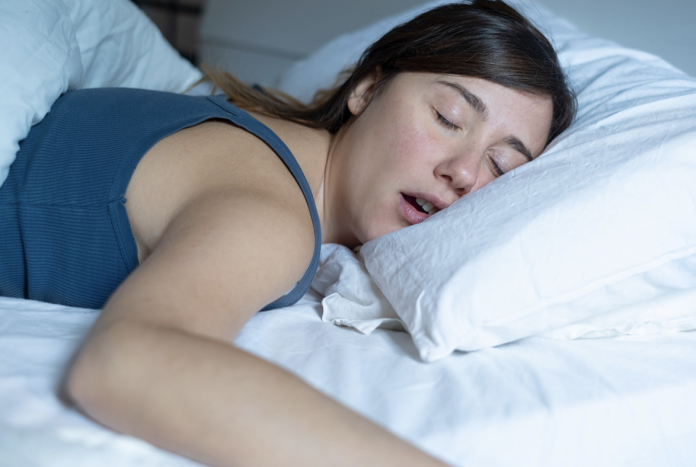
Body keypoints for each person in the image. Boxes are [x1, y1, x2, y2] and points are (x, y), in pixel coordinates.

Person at [0, 0, 575, 465]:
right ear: (366, 89)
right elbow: (125, 365)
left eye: (501, 165)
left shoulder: (260, 131)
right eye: (448, 118)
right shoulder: (272, 216)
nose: (465, 172)